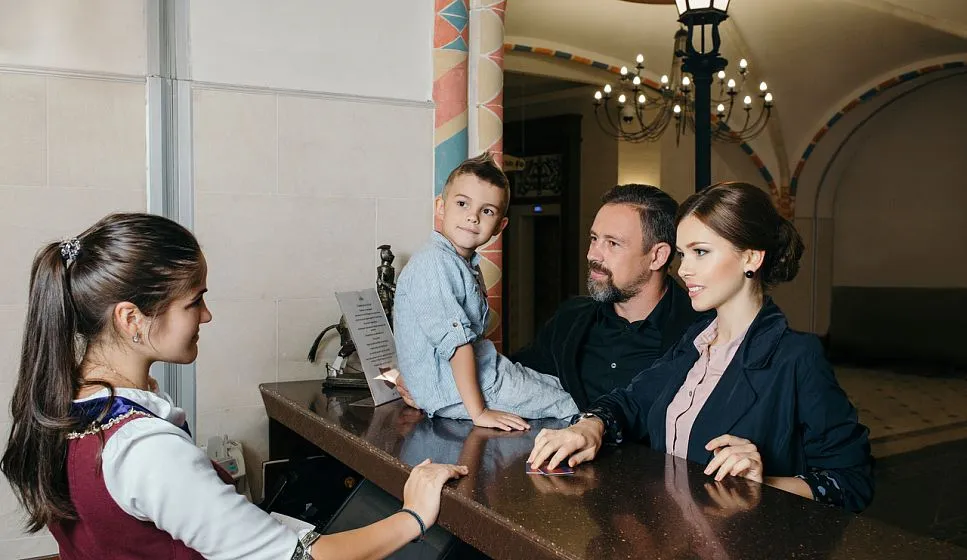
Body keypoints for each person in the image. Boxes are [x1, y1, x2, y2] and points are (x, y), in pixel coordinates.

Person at [0, 213, 467, 560]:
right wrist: (414, 514)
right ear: (131, 319)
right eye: (195, 301)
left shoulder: (65, 404)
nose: (207, 315)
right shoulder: (145, 449)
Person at [527, 182, 874, 512]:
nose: (684, 269)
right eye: (682, 254)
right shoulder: (696, 341)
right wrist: (590, 426)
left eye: (700, 252)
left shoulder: (797, 356)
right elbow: (630, 401)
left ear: (751, 258)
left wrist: (763, 483)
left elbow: (852, 481)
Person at [393, 153, 579, 430]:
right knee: (569, 404)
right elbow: (456, 345)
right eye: (462, 203)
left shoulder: (461, 263)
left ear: (500, 226)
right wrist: (479, 413)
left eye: (487, 211)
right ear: (441, 207)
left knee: (559, 385)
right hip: (464, 391)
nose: (473, 217)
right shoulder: (433, 264)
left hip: (483, 372)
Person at [512, 184, 701, 409]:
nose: (592, 255)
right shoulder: (569, 319)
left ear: (657, 256)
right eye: (594, 238)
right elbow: (513, 378)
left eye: (612, 243)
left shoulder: (702, 332)